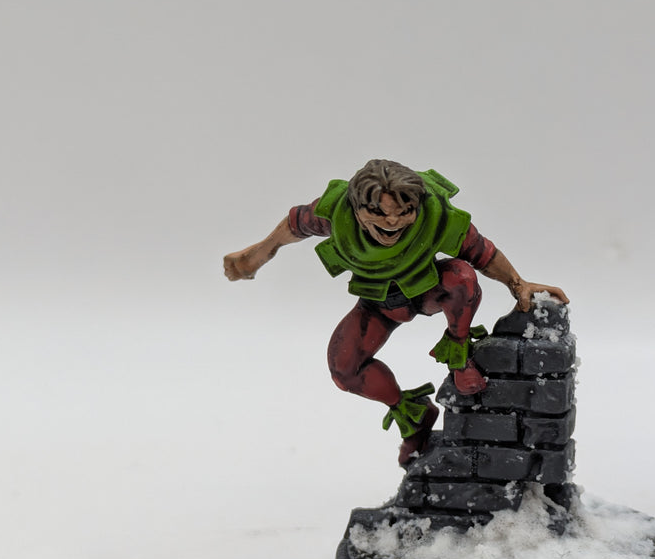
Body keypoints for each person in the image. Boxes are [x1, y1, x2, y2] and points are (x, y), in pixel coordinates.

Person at [224, 159, 568, 464]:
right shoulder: (334, 213)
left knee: (461, 277)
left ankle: (459, 355)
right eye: (379, 212)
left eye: (404, 212)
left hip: (426, 290)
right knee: (344, 368)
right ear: (357, 208)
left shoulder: (435, 214)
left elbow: (481, 252)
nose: (392, 222)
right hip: (380, 302)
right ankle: (414, 416)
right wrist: (256, 255)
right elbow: (294, 223)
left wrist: (517, 284)